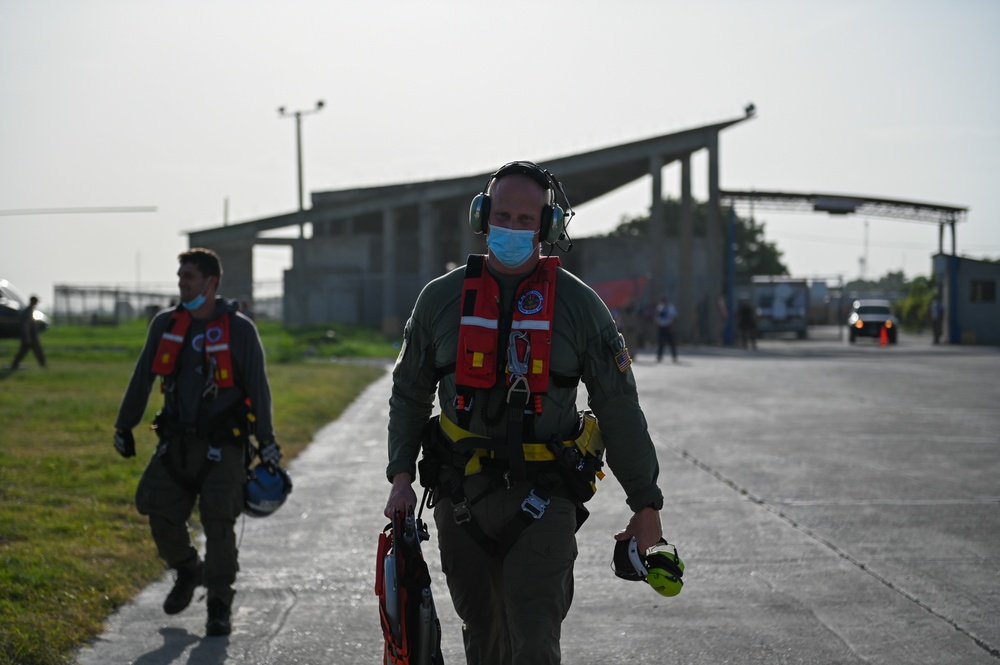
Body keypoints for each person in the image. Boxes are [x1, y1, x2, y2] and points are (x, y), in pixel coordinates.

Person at [383, 162, 665, 664]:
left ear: (549, 226)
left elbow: (619, 408)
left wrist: (646, 504)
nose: (512, 228)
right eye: (502, 214)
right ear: (483, 215)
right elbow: (408, 393)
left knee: (534, 641)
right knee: (483, 638)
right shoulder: (440, 301)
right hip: (459, 495)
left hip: (545, 498)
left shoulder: (581, 309)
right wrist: (401, 477)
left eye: (525, 219)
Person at [113, 248, 282, 637]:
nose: (182, 283)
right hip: (176, 443)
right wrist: (124, 426)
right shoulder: (165, 325)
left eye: (188, 276)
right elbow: (142, 377)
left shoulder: (240, 331)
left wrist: (268, 442)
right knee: (156, 508)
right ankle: (188, 569)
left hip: (225, 447)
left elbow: (259, 388)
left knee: (219, 523)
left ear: (211, 282)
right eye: (180, 276)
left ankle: (219, 605)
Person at [9, 295, 47, 369]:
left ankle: (14, 365)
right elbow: (26, 325)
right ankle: (43, 366)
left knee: (25, 351)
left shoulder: (29, 310)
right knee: (36, 351)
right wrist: (28, 337)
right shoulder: (28, 311)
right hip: (31, 336)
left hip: (30, 336)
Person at [654, 296, 678, 362]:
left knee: (671, 342)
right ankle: (659, 356)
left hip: (668, 326)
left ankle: (674, 355)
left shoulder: (670, 307)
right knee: (660, 342)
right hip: (661, 326)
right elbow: (657, 316)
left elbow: (673, 317)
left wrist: (671, 326)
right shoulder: (659, 307)